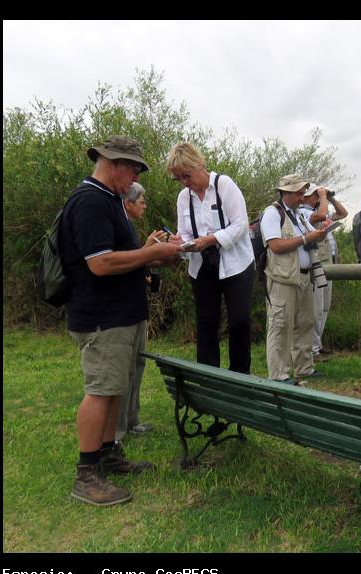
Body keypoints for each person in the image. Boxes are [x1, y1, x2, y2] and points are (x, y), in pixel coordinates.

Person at [60, 135, 183, 506]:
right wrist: (152, 253)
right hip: (102, 317)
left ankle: (109, 453)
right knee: (100, 390)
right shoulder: (90, 202)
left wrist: (157, 256)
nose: (136, 177)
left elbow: (121, 257)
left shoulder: (110, 200)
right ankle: (86, 474)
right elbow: (100, 263)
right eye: (133, 169)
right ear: (113, 163)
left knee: (114, 388)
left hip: (120, 314)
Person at [167, 142, 255, 374]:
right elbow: (184, 232)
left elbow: (240, 225)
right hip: (202, 265)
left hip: (236, 264)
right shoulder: (183, 198)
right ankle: (208, 376)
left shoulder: (224, 185)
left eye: (186, 175)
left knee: (239, 321)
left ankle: (240, 376)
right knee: (206, 322)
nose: (184, 182)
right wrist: (180, 243)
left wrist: (210, 239)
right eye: (178, 178)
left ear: (200, 165)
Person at [262, 174, 332, 384]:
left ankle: (304, 368)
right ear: (286, 193)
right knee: (280, 326)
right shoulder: (272, 213)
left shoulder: (299, 215)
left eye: (303, 193)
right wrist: (305, 238)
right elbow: (275, 245)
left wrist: (320, 233)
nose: (303, 197)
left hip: (304, 277)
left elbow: (310, 237)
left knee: (305, 323)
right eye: (299, 193)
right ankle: (279, 375)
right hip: (282, 279)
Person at [114, 182, 163, 442]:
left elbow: (134, 263)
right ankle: (117, 432)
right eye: (141, 200)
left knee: (137, 365)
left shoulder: (128, 226)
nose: (144, 205)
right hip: (122, 311)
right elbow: (118, 265)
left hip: (137, 308)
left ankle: (132, 420)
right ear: (128, 202)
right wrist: (148, 249)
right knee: (122, 371)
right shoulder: (115, 225)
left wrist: (148, 252)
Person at [300, 184, 348, 361]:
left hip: (329, 261)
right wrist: (322, 197)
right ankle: (312, 350)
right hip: (317, 263)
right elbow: (320, 216)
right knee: (316, 308)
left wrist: (331, 198)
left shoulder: (319, 210)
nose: (318, 197)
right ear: (306, 196)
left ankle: (317, 344)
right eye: (315, 195)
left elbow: (343, 214)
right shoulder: (303, 213)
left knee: (325, 307)